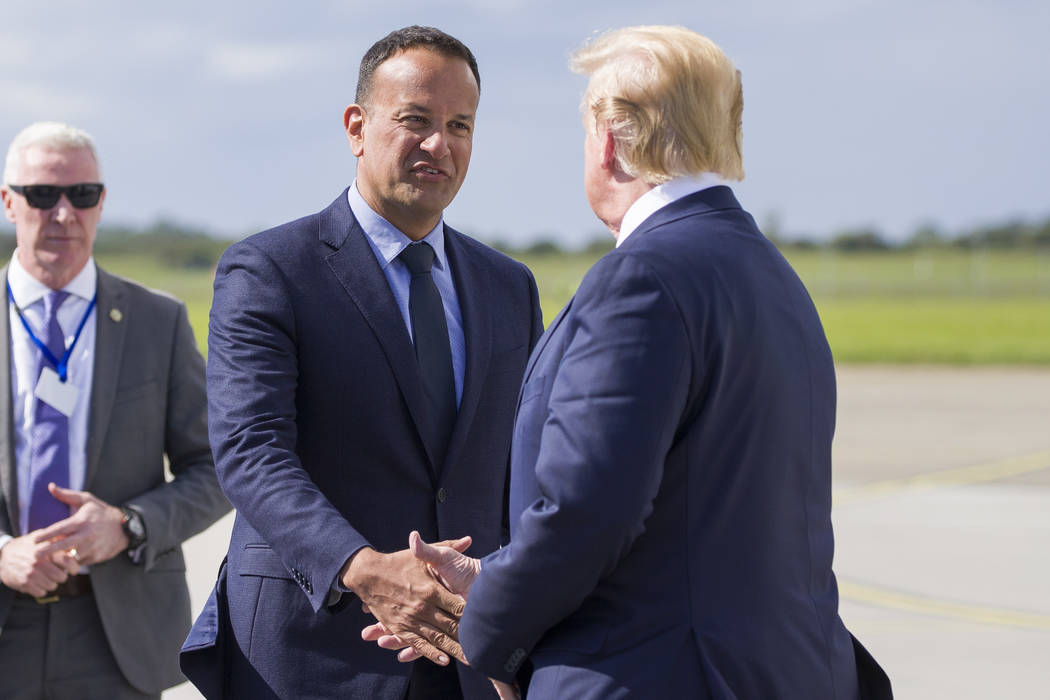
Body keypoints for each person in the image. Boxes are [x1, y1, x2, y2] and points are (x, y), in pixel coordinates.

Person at [365, 25, 894, 699]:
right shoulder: (772, 274)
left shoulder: (642, 279)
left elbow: (586, 515)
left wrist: (488, 633)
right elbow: (687, 515)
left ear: (610, 141)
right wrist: (494, 576)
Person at [179, 25, 543, 700]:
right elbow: (250, 450)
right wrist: (365, 569)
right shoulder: (269, 271)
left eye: (460, 125)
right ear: (357, 126)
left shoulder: (508, 286)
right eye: (416, 120)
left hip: (467, 658)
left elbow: (523, 468)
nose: (440, 144)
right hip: (312, 653)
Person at [0, 121, 230, 699]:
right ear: (8, 202)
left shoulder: (160, 322)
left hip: (114, 636)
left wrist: (128, 526)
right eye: (41, 195)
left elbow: (218, 467)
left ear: (101, 203)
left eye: (81, 195)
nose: (62, 214)